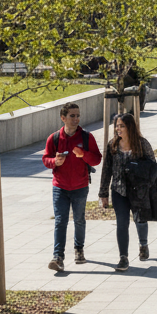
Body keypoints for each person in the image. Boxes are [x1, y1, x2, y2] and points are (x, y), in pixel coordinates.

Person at [43, 102, 103, 272]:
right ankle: (58, 257)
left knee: (79, 219)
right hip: (60, 187)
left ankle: (79, 249)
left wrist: (83, 154)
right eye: (72, 116)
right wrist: (55, 161)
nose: (76, 119)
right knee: (60, 221)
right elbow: (46, 159)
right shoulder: (54, 138)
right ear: (63, 118)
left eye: (78, 115)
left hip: (80, 186)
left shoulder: (86, 137)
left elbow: (97, 159)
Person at [98, 113, 157, 271]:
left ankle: (143, 244)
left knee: (140, 219)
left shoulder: (141, 144)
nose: (118, 129)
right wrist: (103, 194)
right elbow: (106, 170)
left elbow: (154, 166)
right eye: (116, 126)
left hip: (138, 191)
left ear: (129, 127)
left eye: (121, 126)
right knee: (122, 223)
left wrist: (146, 183)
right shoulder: (112, 145)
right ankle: (123, 258)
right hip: (119, 190)